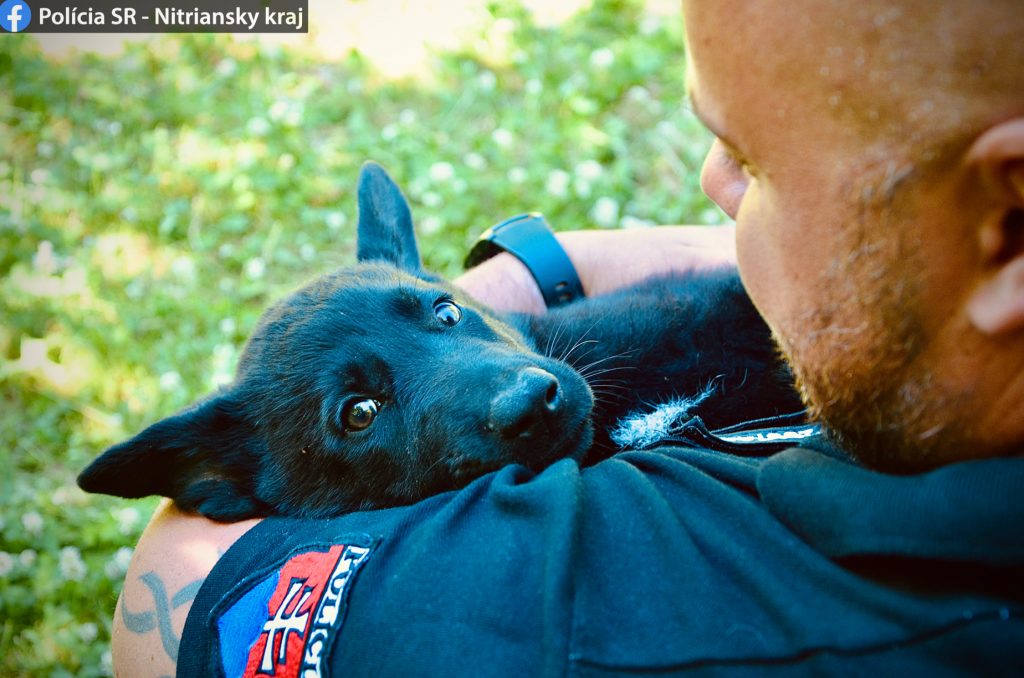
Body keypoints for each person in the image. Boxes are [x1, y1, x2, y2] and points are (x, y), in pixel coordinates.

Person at [112, 1, 1024, 675]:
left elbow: (182, 579)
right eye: (358, 411)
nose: (716, 190)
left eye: (756, 164)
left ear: (1006, 222)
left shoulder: (608, 612)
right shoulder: (923, 336)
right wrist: (476, 299)